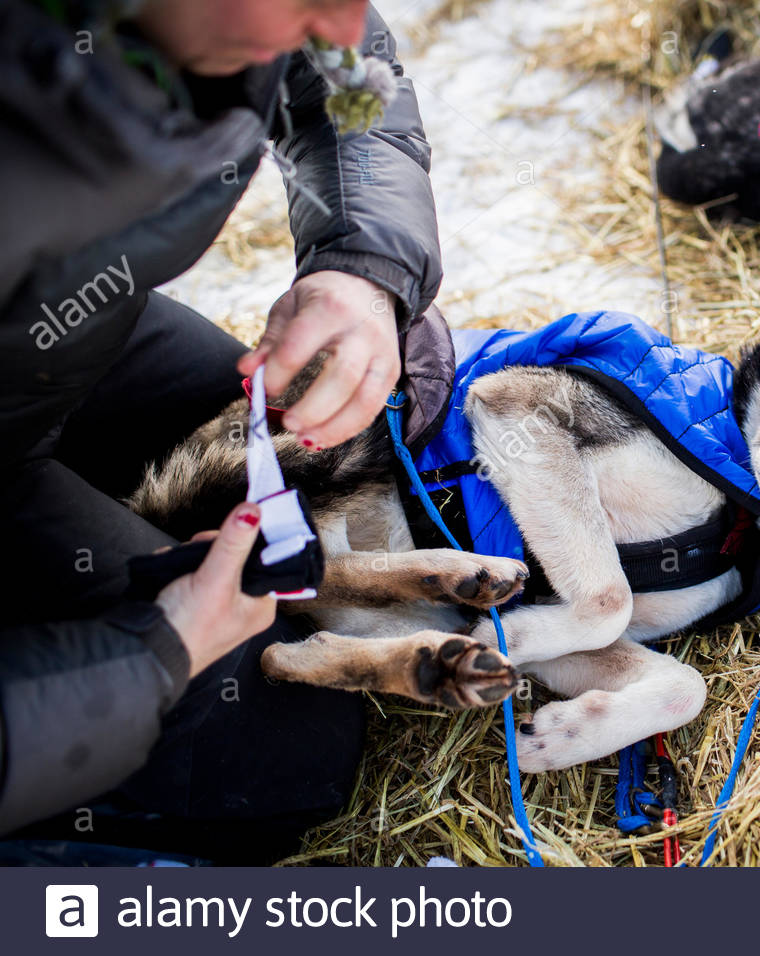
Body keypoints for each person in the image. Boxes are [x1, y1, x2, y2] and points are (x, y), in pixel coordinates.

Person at [0, 0, 453, 864]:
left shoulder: (272, 16)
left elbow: (344, 82)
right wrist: (151, 655)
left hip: (53, 349)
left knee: (324, 457)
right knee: (281, 760)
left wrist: (360, 265)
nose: (339, 16)